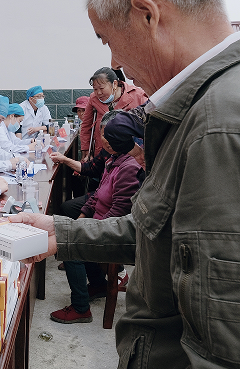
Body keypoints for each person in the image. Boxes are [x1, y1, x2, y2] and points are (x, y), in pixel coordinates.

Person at [10, 0, 240, 368]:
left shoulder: (226, 124)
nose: (115, 63)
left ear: (147, 15)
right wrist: (63, 233)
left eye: (108, 40)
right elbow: (165, 236)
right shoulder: (229, 97)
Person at [48, 111, 142, 324]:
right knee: (72, 226)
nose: (105, 141)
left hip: (112, 229)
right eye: (103, 135)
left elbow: (118, 214)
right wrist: (82, 220)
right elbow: (97, 195)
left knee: (69, 247)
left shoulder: (129, 167)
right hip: (101, 222)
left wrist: (87, 231)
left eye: (110, 136)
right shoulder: (113, 159)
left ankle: (81, 308)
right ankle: (99, 284)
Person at [80, 67, 147, 161]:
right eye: (95, 89)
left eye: (101, 88)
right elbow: (86, 125)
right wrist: (86, 150)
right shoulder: (93, 98)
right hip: (102, 152)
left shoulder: (138, 95)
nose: (98, 93)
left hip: (130, 152)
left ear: (114, 84)